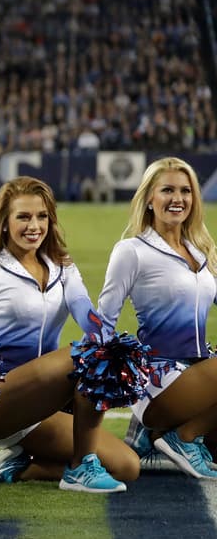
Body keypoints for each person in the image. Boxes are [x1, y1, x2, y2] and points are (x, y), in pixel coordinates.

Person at [0, 177, 139, 490]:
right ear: (4, 223)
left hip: (45, 405)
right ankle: (79, 469)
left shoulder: (63, 268)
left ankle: (16, 467)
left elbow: (86, 315)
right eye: (23, 217)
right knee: (87, 355)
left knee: (126, 466)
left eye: (41, 216)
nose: (33, 225)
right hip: (0, 402)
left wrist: (109, 342)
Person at [97, 157, 217, 478]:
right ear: (149, 198)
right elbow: (103, 321)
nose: (178, 199)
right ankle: (183, 437)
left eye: (185, 191)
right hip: (159, 380)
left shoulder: (201, 251)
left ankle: (151, 437)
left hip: (198, 376)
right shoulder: (132, 251)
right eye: (167, 190)